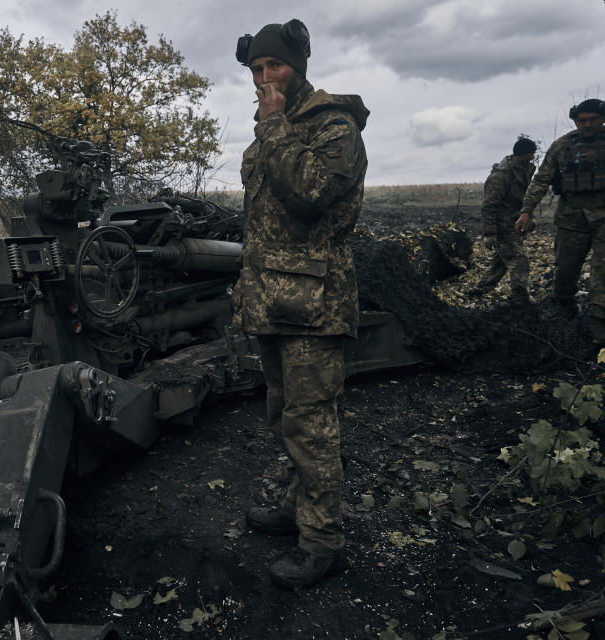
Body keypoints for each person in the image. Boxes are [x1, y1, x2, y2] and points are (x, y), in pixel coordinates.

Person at [231, 19, 368, 588]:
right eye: (257, 71)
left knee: (312, 425)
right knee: (285, 416)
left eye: (275, 67)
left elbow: (311, 194)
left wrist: (275, 126)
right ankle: (298, 507)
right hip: (274, 301)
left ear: (299, 66)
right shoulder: (275, 128)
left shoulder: (333, 126)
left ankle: (322, 541)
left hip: (314, 302)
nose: (265, 79)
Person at [516, 99, 605, 339]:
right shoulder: (563, 146)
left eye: (592, 120)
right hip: (571, 219)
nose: (586, 125)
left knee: (602, 272)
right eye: (581, 121)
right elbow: (541, 180)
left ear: (602, 118)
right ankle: (565, 308)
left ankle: (598, 325)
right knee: (565, 270)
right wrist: (526, 210)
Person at [468, 137, 537, 302]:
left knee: (500, 262)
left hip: (514, 225)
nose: (533, 159)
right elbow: (489, 207)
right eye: (530, 155)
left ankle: (478, 291)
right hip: (503, 228)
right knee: (520, 261)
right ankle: (520, 299)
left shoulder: (522, 169)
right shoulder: (500, 177)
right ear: (521, 155)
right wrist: (489, 233)